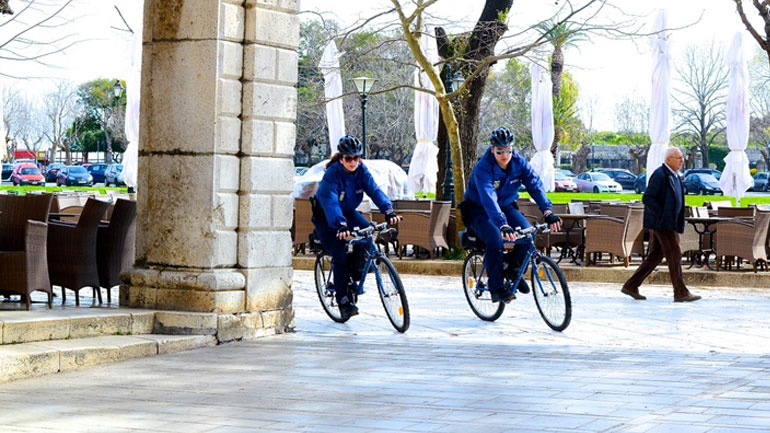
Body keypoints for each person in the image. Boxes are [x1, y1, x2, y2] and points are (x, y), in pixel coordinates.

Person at [460, 127, 562, 304]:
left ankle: (513, 270)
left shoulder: (518, 163)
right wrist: (502, 225)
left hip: (505, 205)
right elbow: (488, 197)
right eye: (500, 151)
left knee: (528, 232)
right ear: (492, 149)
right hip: (478, 209)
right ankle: (496, 288)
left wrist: (547, 211)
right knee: (494, 239)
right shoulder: (483, 168)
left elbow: (534, 184)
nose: (504, 155)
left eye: (508, 150)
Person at [313, 136, 400, 319]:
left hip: (348, 212)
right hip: (327, 217)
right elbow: (330, 201)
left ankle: (357, 272)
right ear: (341, 158)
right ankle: (342, 299)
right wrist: (340, 224)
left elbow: (374, 190)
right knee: (340, 253)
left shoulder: (361, 170)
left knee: (368, 232)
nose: (353, 162)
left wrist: (388, 211)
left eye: (356, 158)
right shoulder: (332, 174)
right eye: (348, 158)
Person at [621, 147, 701, 302]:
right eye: (679, 158)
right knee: (675, 254)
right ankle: (680, 292)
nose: (682, 160)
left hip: (669, 222)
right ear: (669, 159)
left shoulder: (675, 176)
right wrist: (663, 214)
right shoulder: (660, 175)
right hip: (662, 223)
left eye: (682, 158)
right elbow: (648, 198)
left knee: (656, 256)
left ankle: (631, 285)